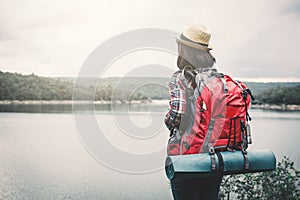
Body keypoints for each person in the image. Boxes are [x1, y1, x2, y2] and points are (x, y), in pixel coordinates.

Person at [164, 24, 223, 200]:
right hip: (214, 156)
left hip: (186, 157)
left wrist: (167, 121)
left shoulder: (180, 77)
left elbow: (176, 115)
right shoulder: (216, 77)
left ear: (184, 49)